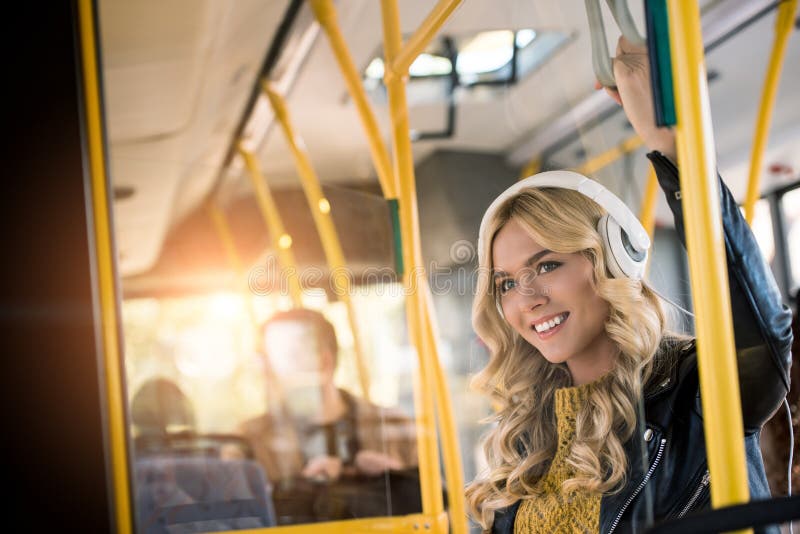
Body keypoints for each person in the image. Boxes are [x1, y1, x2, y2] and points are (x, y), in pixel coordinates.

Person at [464, 36, 794, 534]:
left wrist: (673, 150)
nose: (526, 299)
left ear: (614, 260)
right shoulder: (530, 430)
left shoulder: (695, 392)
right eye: (507, 283)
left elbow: (763, 333)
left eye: (548, 265)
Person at [237, 307, 420, 523]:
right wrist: (297, 490)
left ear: (324, 363)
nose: (267, 371)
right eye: (263, 359)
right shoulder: (249, 441)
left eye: (283, 358)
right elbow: (236, 517)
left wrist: (396, 477)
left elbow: (440, 512)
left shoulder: (393, 428)